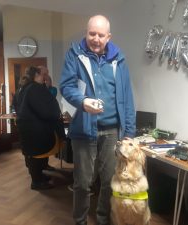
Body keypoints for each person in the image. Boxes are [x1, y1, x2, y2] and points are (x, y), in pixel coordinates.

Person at [59, 15, 136, 225]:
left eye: (101, 35)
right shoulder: (75, 55)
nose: (96, 39)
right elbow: (66, 87)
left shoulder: (118, 59)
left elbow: (127, 97)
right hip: (84, 130)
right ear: (86, 32)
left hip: (112, 132)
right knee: (83, 183)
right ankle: (80, 221)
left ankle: (103, 219)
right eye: (92, 33)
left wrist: (129, 132)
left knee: (110, 182)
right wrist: (82, 101)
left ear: (108, 37)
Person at [15, 66, 65, 190]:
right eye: (44, 74)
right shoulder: (34, 88)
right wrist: (55, 115)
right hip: (35, 128)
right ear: (37, 74)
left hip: (30, 127)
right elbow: (44, 109)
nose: (46, 76)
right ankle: (37, 182)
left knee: (35, 154)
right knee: (35, 155)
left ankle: (39, 176)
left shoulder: (25, 87)